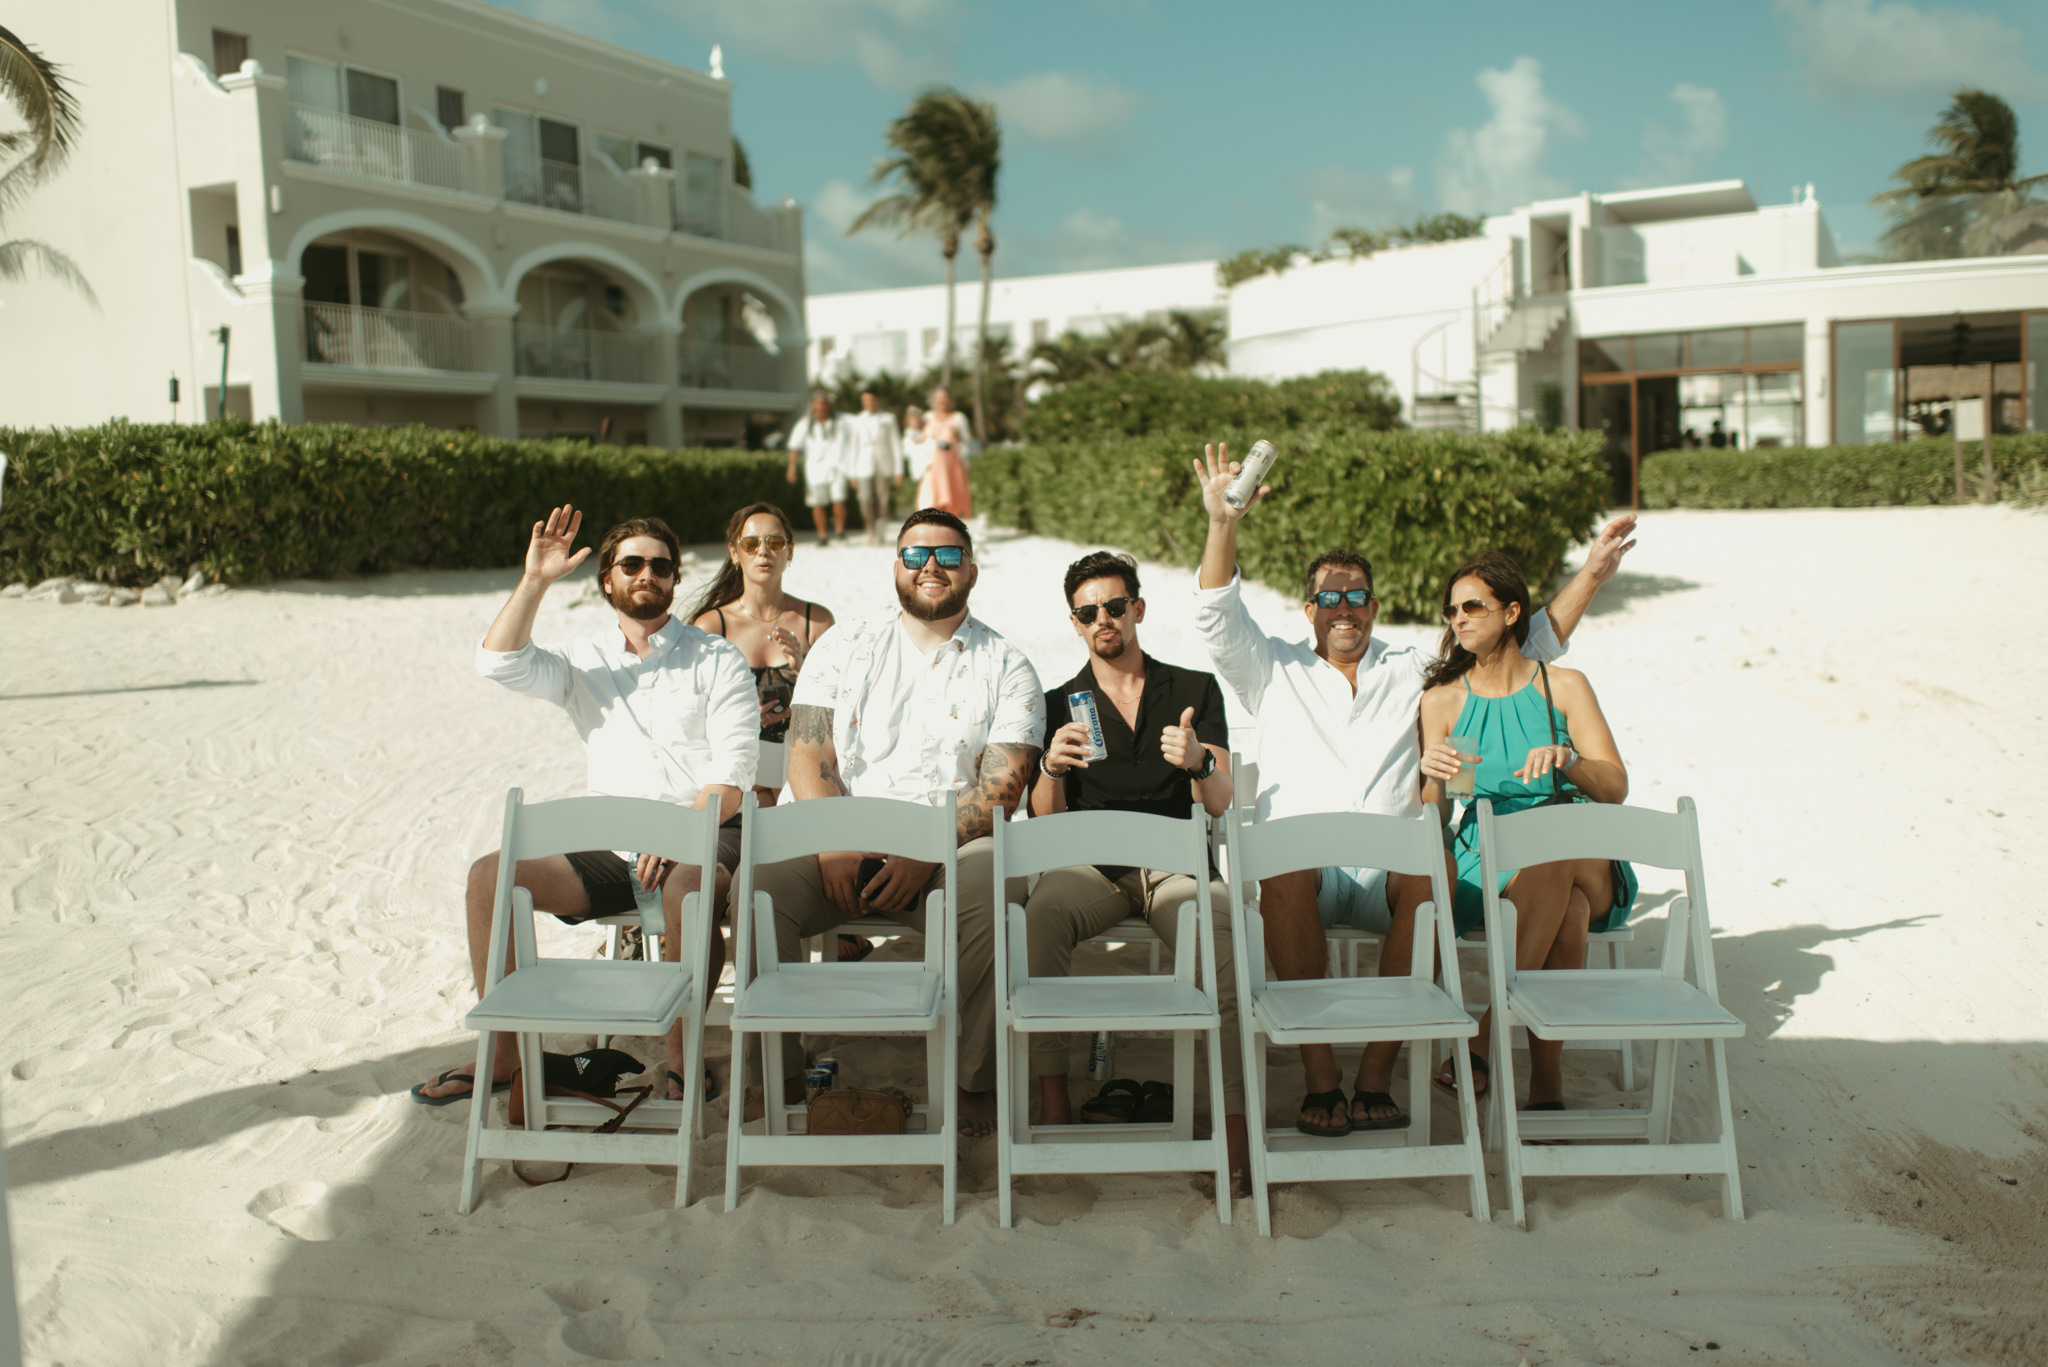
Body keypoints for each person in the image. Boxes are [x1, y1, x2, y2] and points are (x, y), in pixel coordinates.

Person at [1191, 442, 1637, 1137]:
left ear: (1374, 606)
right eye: (1330, 598)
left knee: (1432, 875)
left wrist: (1591, 576)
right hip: (1303, 873)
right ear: (1309, 609)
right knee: (1280, 868)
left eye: (1357, 597)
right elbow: (1217, 614)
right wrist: (1223, 523)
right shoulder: (1268, 668)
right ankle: (1321, 1078)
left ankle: (1376, 1073)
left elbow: (1522, 649)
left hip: (1390, 873)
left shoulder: (1413, 669)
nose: (1344, 609)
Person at [411, 508, 758, 1106]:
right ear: (607, 579)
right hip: (616, 847)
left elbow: (732, 776)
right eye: (632, 564)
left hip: (706, 831)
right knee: (489, 877)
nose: (647, 574)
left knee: (686, 888)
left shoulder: (716, 657)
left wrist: (675, 836)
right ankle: (502, 1055)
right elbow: (497, 662)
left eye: (661, 566)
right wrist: (535, 581)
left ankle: (682, 1053)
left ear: (675, 579)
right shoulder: (582, 658)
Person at [756, 508, 1043, 1138]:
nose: (931, 566)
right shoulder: (844, 645)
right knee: (757, 890)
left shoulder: (1008, 664)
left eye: (947, 554)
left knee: (991, 890)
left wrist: (925, 847)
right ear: (896, 567)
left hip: (950, 849)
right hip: (841, 837)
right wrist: (832, 842)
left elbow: (1001, 790)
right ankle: (775, 1076)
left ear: (972, 570)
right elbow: (808, 752)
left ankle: (976, 1081)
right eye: (916, 555)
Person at [1025, 550, 1249, 1188]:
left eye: (1115, 606)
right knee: (1039, 918)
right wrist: (1050, 768)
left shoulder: (1193, 691)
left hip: (1176, 866)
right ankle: (1054, 1100)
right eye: (1088, 612)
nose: (1103, 619)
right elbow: (1043, 819)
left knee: (1220, 936)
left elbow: (1220, 800)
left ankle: (1234, 1121)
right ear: (1075, 623)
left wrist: (1200, 761)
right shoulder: (1058, 703)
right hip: (1091, 867)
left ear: (1138, 610)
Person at [1417, 551, 1636, 1115]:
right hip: (1488, 850)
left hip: (1578, 843)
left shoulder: (1563, 687)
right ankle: (1547, 1087)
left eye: (1472, 607)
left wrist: (1568, 759)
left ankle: (1487, 1031)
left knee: (1555, 845)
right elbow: (1437, 817)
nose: (1459, 619)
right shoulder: (1445, 701)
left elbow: (1614, 787)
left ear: (1513, 612)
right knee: (1569, 912)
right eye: (1452, 611)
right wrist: (1433, 780)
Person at [689, 502, 835, 805]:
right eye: (751, 544)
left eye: (775, 542)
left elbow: (840, 709)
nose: (763, 551)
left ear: (790, 551)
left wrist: (803, 671)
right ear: (734, 552)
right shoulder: (711, 626)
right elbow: (690, 714)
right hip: (738, 774)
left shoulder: (816, 622)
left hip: (797, 773)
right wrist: (739, 717)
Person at [785, 393, 850, 546]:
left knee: (839, 499)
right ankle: (822, 535)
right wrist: (792, 467)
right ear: (813, 406)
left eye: (824, 404)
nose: (821, 407)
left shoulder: (840, 422)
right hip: (815, 469)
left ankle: (840, 531)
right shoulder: (804, 424)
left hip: (838, 467)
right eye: (818, 404)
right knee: (817, 503)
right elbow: (794, 447)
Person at [847, 386, 905, 545]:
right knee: (864, 499)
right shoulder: (857, 420)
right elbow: (853, 447)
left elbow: (895, 444)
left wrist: (898, 470)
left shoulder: (888, 418)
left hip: (884, 464)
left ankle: (880, 532)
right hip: (863, 465)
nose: (869, 403)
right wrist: (852, 473)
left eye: (871, 400)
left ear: (877, 400)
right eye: (865, 400)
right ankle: (870, 529)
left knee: (883, 500)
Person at [917, 387, 973, 519]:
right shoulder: (927, 417)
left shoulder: (958, 418)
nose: (942, 401)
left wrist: (956, 437)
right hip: (932, 464)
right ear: (933, 401)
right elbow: (919, 439)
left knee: (951, 499)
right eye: (939, 398)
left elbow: (967, 441)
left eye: (945, 397)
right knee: (930, 498)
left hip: (952, 464)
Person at [902, 406, 932, 485]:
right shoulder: (908, 433)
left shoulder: (924, 432)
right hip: (917, 462)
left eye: (918, 420)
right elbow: (909, 448)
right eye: (914, 421)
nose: (916, 423)